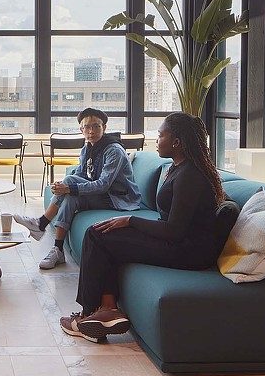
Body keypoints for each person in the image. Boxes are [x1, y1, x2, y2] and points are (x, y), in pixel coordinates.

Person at [60, 112, 225, 342]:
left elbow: (174, 231)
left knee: (98, 236)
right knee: (102, 231)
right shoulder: (180, 167)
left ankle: (87, 315)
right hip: (178, 241)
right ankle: (107, 309)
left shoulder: (190, 175)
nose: (156, 140)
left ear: (176, 142)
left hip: (188, 251)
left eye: (160, 135)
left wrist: (130, 221)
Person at [11, 107, 141, 270]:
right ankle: (57, 249)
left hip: (119, 199)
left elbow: (103, 185)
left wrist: (69, 187)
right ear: (81, 129)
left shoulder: (114, 150)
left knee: (70, 186)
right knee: (70, 193)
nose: (91, 131)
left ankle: (41, 223)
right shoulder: (88, 148)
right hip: (103, 196)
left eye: (96, 126)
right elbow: (80, 173)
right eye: (87, 127)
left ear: (104, 128)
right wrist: (61, 187)